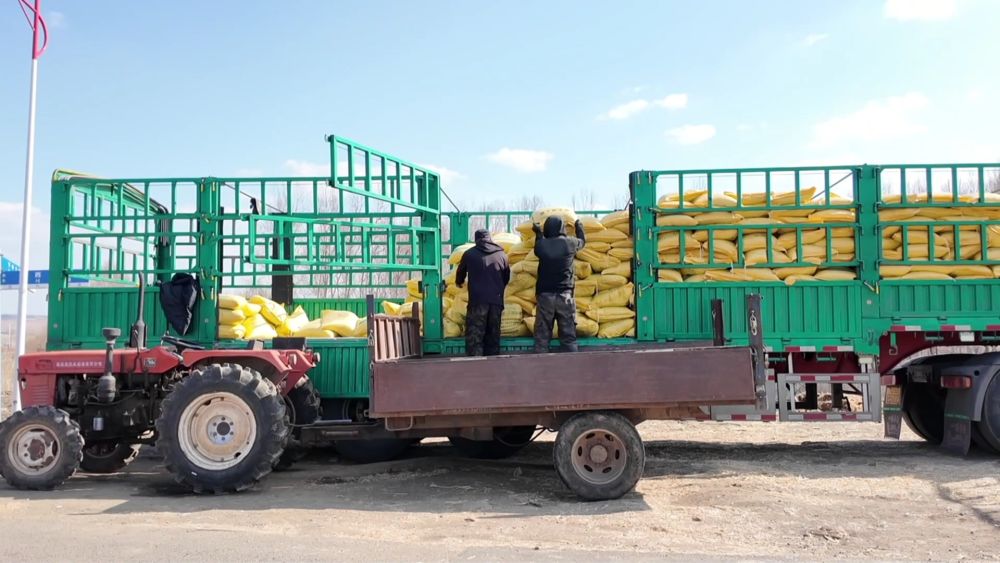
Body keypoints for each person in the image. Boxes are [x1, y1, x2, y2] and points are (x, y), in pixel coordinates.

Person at [532, 216, 586, 353]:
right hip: (565, 295)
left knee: (542, 336)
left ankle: (540, 362)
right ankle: (571, 362)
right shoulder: (570, 243)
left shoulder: (541, 245)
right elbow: (582, 241)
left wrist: (538, 233)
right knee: (568, 335)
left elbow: (538, 245)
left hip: (545, 296)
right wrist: (579, 227)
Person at [455, 229, 510, 356]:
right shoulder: (502, 255)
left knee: (475, 336)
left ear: (476, 240)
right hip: (496, 301)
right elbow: (506, 277)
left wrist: (459, 282)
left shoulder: (469, 254)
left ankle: (475, 364)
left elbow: (460, 272)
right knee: (493, 336)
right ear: (490, 238)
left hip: (477, 301)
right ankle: (493, 363)